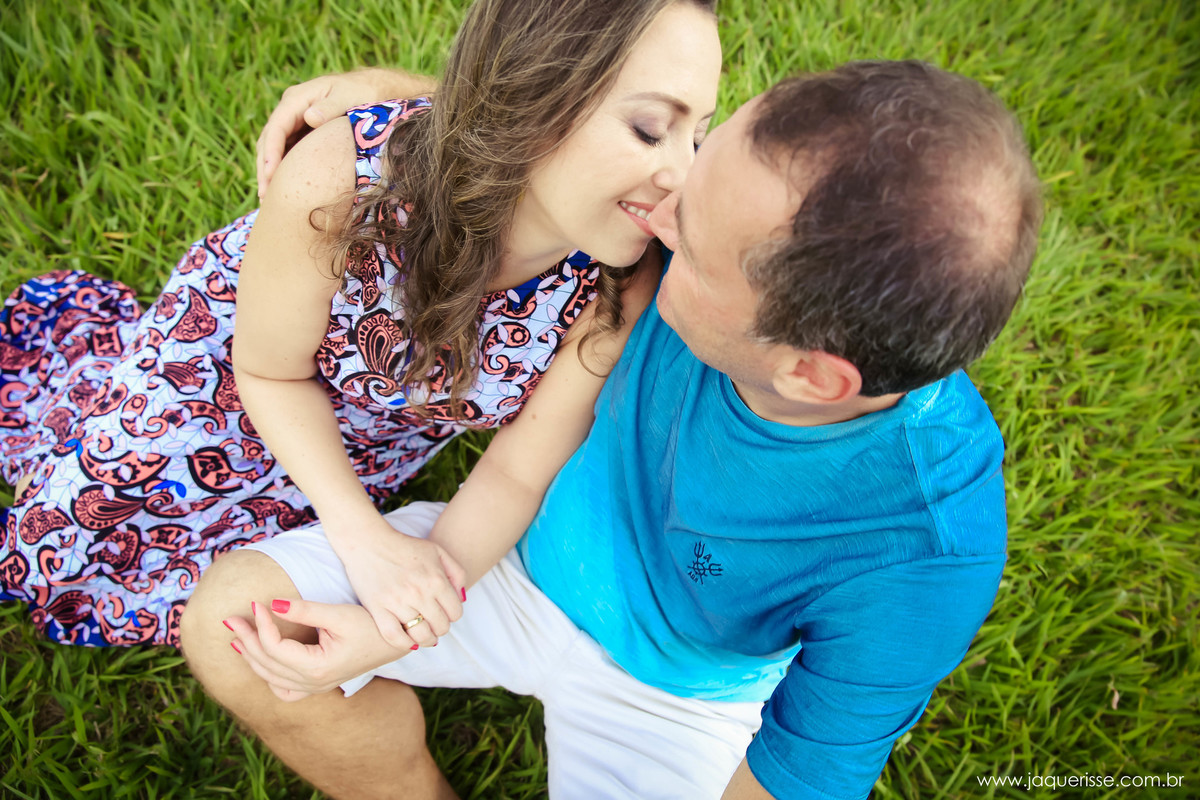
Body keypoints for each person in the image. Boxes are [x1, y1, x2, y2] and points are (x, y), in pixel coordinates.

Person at [182, 59, 1042, 799]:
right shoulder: (739, 227)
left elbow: (799, 777)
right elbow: (581, 156)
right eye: (697, 161)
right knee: (235, 628)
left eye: (690, 246)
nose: (659, 211)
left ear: (811, 375)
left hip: (674, 702)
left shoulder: (923, 555)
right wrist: (406, 101)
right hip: (505, 557)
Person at [0, 0, 721, 648]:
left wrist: (414, 599)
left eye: (698, 137)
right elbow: (269, 371)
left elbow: (515, 472)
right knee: (83, 525)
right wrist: (360, 536)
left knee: (248, 583)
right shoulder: (340, 179)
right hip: (234, 360)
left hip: (383, 431)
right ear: (531, 95)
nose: (684, 177)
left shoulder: (619, 284)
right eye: (650, 129)